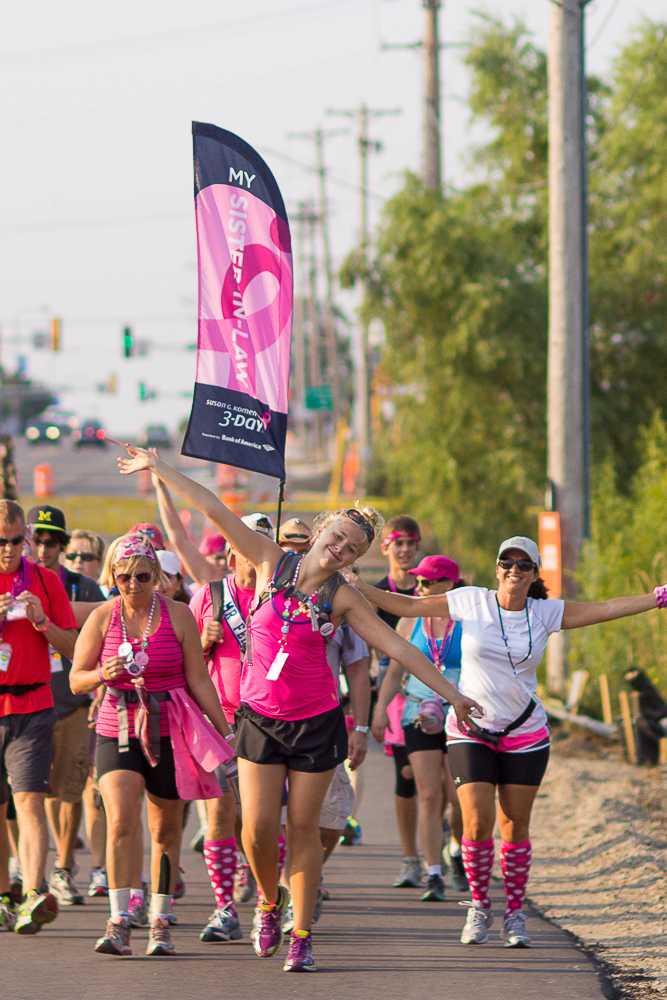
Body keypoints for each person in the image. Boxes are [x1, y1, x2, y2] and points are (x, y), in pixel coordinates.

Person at [117, 446, 481, 973]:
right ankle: (269, 901)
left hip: (316, 723)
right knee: (256, 829)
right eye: (338, 537)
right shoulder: (270, 560)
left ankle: (302, 934)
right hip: (260, 719)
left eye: (352, 548)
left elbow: (400, 649)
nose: (340, 549)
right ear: (321, 531)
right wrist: (158, 468)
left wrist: (453, 695)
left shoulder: (344, 597)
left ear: (355, 558)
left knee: (304, 830)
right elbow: (213, 507)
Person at [353, 533, 667, 948]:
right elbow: (407, 605)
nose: (514, 570)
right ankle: (480, 905)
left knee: (515, 825)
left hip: (525, 732)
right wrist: (354, 585)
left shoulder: (545, 613)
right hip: (471, 731)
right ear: (497, 568)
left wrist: (658, 597)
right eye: (507, 562)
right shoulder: (471, 601)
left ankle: (515, 914)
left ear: (534, 573)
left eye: (523, 565)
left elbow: (607, 608)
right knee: (476, 821)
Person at [70, 534, 235, 958]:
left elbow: (199, 679)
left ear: (156, 575)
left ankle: (160, 920)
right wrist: (102, 675)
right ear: (113, 576)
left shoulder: (178, 615)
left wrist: (225, 733)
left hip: (170, 728)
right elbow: (76, 680)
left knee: (165, 829)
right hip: (117, 725)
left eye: (142, 576)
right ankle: (119, 920)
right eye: (123, 577)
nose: (133, 585)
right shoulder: (103, 617)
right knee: (121, 822)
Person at [188, 515, 274, 944]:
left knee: (262, 820)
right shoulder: (209, 595)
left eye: (264, 545)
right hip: (218, 720)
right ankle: (224, 907)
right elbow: (181, 656)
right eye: (247, 545)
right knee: (221, 814)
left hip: (268, 721)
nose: (255, 554)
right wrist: (203, 640)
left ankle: (267, 905)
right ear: (231, 551)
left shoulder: (280, 595)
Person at [0, 499, 78, 934]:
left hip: (32, 704)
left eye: (16, 541)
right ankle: (2, 896)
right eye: (1, 543)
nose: (9, 551)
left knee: (29, 800)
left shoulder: (45, 581)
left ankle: (33, 892)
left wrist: (43, 623)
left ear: (24, 537)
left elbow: (73, 647)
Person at [372, 555, 466, 903]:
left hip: (459, 715)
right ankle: (434, 872)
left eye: (428, 583)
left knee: (459, 797)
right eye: (419, 582)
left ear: (449, 585)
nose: (421, 588)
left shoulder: (469, 620)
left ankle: (456, 850)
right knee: (429, 794)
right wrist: (381, 709)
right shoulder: (410, 621)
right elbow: (395, 671)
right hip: (419, 714)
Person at [26, 505, 106, 909]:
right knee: (28, 795)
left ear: (62, 543)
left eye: (52, 542)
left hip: (72, 704)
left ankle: (63, 867)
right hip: (27, 704)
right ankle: (28, 872)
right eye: (38, 541)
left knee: (70, 792)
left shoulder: (83, 587)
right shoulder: (18, 582)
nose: (45, 549)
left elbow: (106, 633)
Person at [370, 516, 422, 888]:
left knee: (443, 782)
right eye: (397, 544)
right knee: (407, 774)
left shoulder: (433, 587)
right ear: (385, 548)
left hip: (440, 689)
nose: (404, 551)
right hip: (398, 692)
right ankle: (411, 858)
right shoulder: (376, 594)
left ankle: (447, 844)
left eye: (410, 544)